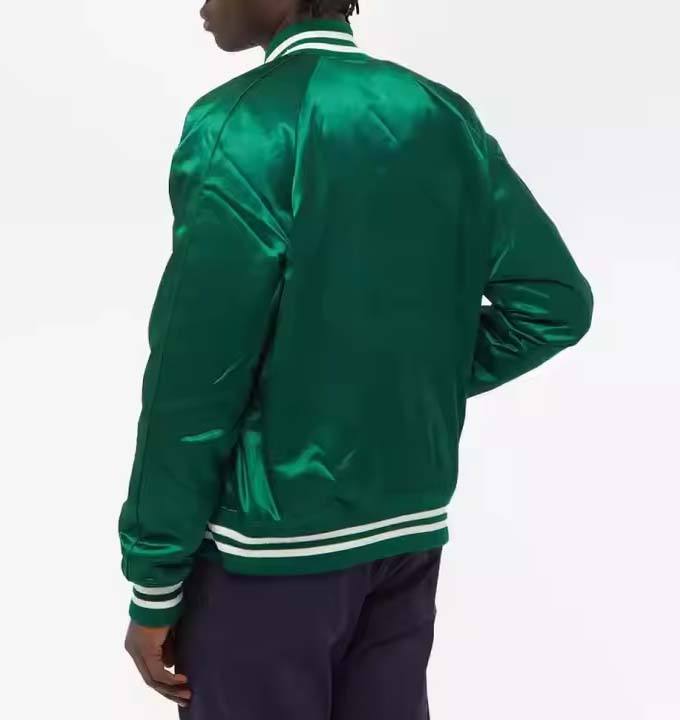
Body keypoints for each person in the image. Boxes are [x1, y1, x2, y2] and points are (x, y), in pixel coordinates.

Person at [118, 0, 594, 717]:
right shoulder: (441, 114)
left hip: (269, 554)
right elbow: (552, 305)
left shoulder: (241, 123)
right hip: (407, 532)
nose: (203, 5)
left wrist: (154, 580)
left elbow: (194, 376)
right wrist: (394, 382)